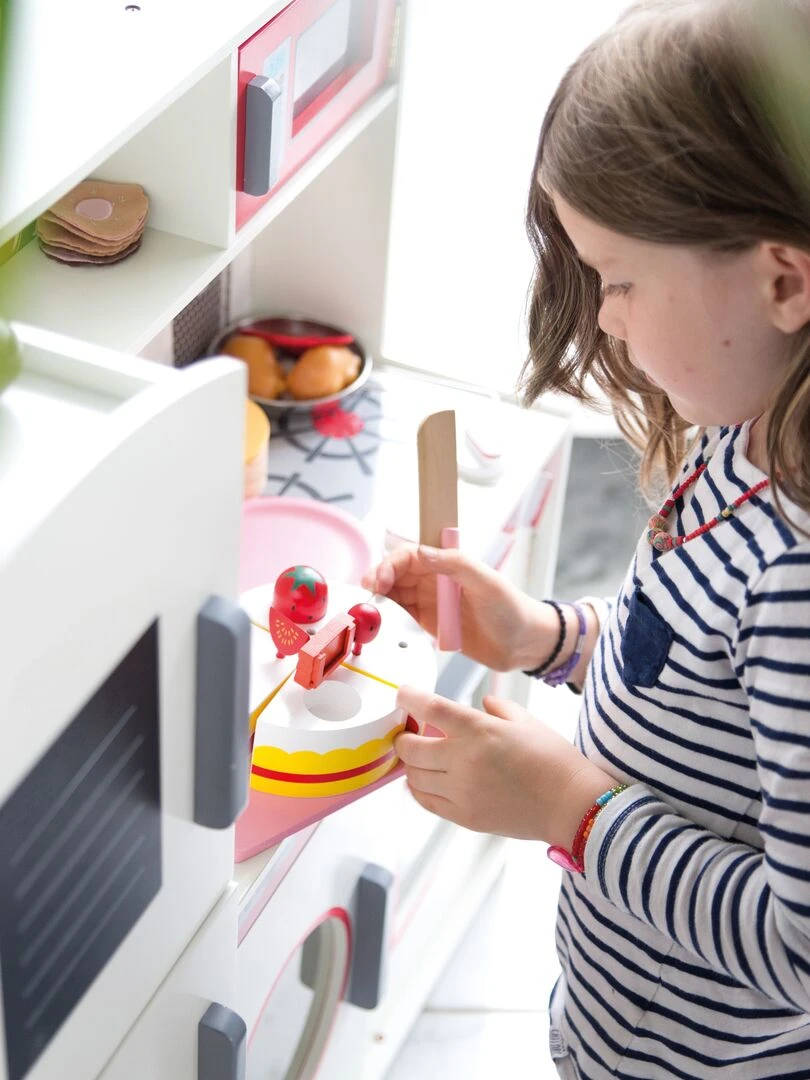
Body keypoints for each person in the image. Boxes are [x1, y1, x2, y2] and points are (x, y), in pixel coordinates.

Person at [361, 1, 810, 1076]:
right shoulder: (744, 435)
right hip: (622, 1022)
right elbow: (688, 668)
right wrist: (544, 637)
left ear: (782, 281)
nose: (603, 318)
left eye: (618, 280)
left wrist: (569, 804)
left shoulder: (798, 591)